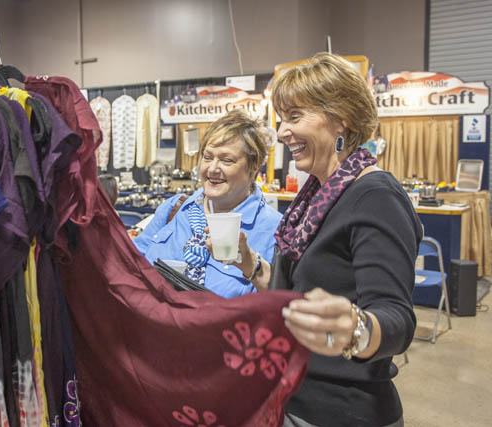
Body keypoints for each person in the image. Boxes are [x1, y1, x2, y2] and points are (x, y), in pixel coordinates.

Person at [217, 53, 422, 426]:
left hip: (340, 411)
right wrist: (252, 267)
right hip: (292, 396)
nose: (281, 132)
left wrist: (355, 327)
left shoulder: (375, 196)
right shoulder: (317, 193)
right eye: (281, 120)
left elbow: (397, 319)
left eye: (295, 118)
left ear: (340, 117)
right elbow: (300, 291)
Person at [133, 109, 282, 298]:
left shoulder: (274, 229)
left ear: (254, 166)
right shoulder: (176, 208)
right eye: (207, 157)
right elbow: (133, 262)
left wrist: (253, 267)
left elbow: (279, 304)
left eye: (226, 160)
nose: (212, 169)